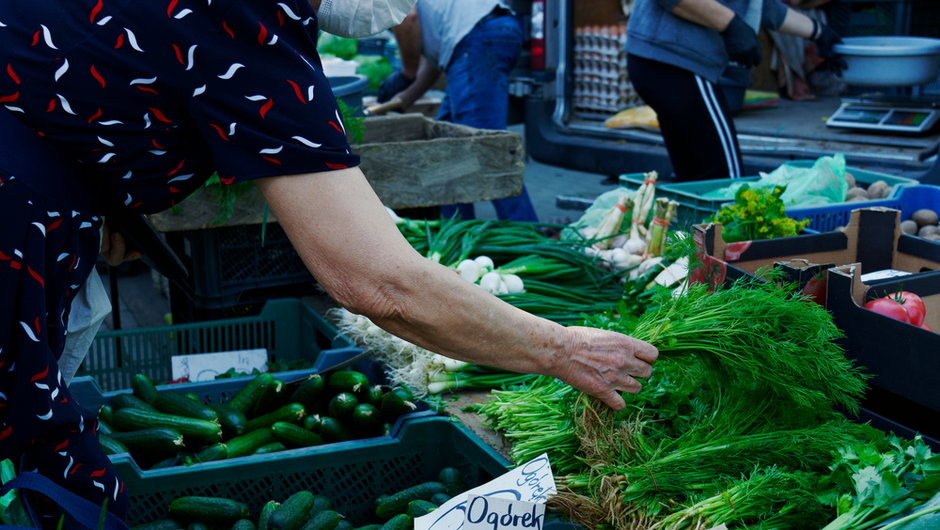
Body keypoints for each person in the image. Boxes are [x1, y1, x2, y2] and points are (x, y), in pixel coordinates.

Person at [0, 0, 657, 522]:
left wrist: (104, 192)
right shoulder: (248, 19)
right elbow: (376, 281)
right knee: (51, 476)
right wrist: (562, 349)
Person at [626, 0, 845, 181]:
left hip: (670, 62)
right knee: (724, 183)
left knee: (696, 182)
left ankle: (682, 236)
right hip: (676, 64)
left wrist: (818, 32)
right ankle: (705, 235)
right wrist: (731, 25)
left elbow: (756, 5)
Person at [379, 0, 540, 222]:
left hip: (478, 37)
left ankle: (528, 238)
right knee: (443, 147)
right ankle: (455, 230)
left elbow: (407, 18)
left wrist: (407, 72)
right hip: (483, 33)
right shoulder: (447, 21)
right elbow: (437, 62)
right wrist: (405, 98)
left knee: (485, 148)